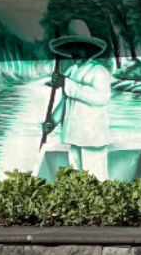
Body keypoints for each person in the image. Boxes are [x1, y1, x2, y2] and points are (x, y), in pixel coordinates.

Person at [42, 20, 111, 180]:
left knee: (95, 177)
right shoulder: (72, 71)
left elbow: (100, 98)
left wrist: (65, 82)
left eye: (79, 48)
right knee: (76, 176)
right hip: (74, 134)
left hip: (92, 137)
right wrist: (52, 122)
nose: (75, 52)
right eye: (72, 48)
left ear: (88, 49)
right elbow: (66, 102)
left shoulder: (98, 71)